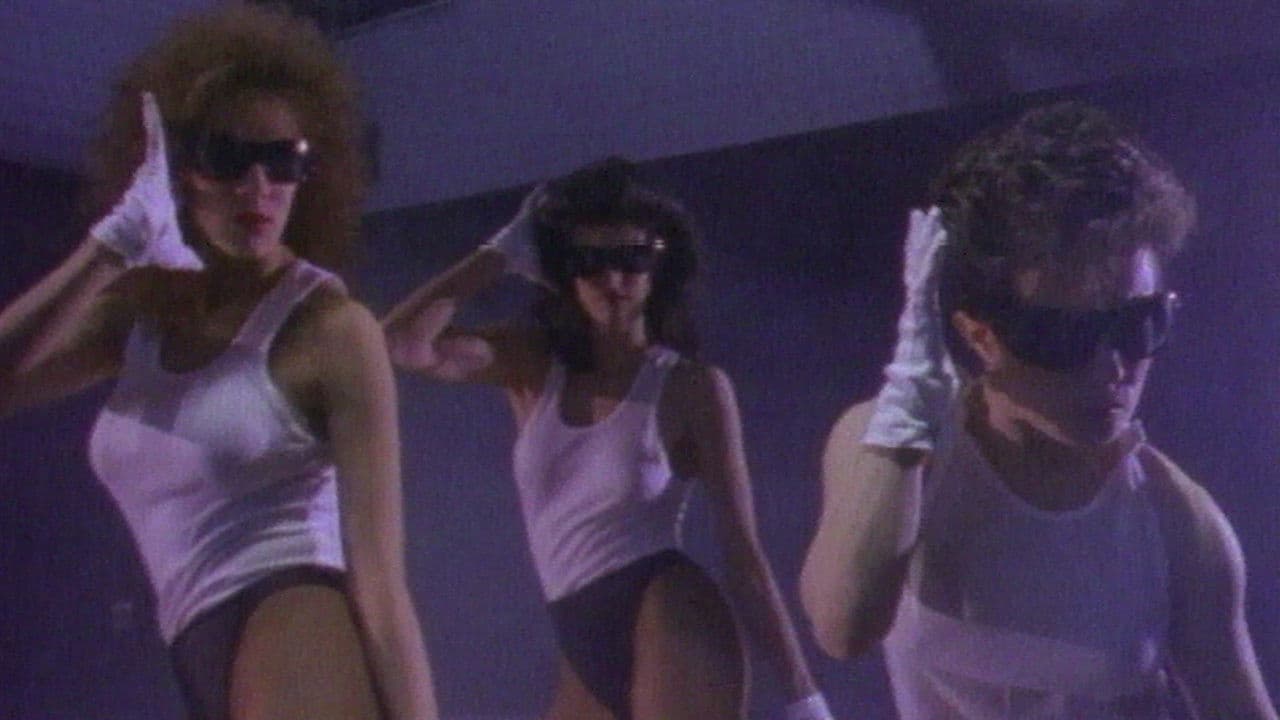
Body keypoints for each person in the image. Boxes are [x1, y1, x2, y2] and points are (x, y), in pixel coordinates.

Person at [0, 6, 437, 719]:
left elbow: (383, 584)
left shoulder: (331, 329)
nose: (258, 187)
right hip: (190, 640)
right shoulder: (141, 316)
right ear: (176, 168)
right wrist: (109, 246)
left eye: (284, 160)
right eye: (228, 157)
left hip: (294, 616)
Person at [799, 101, 1277, 719]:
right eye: (1065, 336)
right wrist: (909, 401)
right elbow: (843, 627)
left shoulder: (1174, 520)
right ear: (980, 335)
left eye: (1139, 322)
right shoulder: (894, 447)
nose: (1111, 368)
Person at [383, 158, 830, 720]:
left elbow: (743, 553)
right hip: (577, 638)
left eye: (631, 258)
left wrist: (803, 699)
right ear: (562, 270)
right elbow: (401, 345)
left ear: (659, 266)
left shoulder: (690, 386)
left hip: (666, 612)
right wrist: (500, 253)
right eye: (590, 262)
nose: (612, 280)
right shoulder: (532, 365)